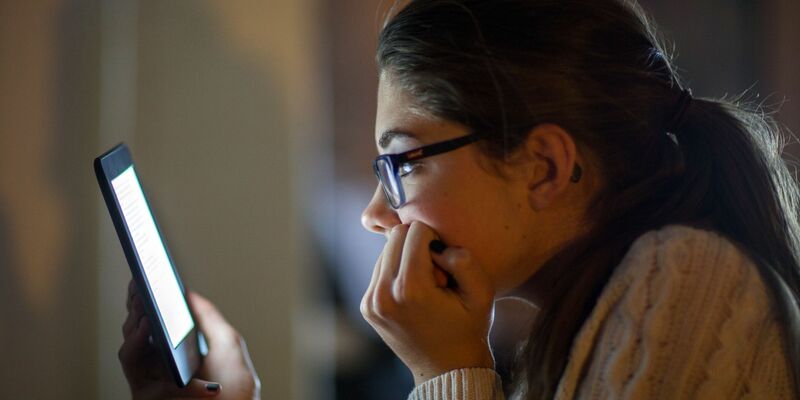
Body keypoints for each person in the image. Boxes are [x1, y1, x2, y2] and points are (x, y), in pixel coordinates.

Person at [120, 0, 800, 398]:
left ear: (543, 166)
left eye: (402, 163)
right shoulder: (573, 331)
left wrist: (446, 369)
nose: (376, 215)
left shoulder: (683, 279)